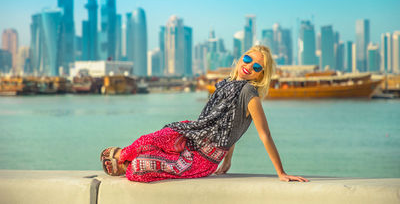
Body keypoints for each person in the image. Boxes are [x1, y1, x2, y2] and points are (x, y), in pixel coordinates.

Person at [100, 45, 309, 183]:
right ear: (240, 59)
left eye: (256, 66)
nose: (248, 66)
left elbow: (264, 135)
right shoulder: (227, 84)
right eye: (247, 59)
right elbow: (228, 125)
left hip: (203, 157)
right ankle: (121, 155)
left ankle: (125, 164)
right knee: (152, 139)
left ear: (261, 74)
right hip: (192, 134)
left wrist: (281, 173)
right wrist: (228, 161)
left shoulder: (249, 92)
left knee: (139, 168)